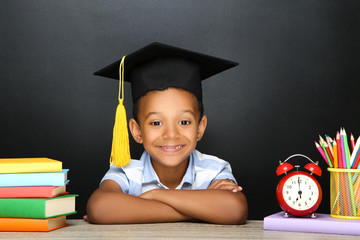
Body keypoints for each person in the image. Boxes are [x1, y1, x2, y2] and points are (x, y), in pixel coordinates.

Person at [85, 42, 248, 224]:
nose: (171, 134)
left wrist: (156, 195)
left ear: (200, 128)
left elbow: (234, 210)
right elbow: (100, 208)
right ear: (137, 131)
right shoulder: (127, 172)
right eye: (156, 123)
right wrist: (203, 211)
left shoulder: (214, 169)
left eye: (184, 122)